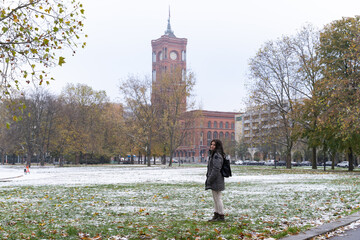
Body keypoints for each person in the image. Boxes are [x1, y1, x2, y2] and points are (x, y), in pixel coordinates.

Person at [205, 139, 226, 222]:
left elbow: (216, 169)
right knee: (215, 198)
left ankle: (221, 215)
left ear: (217, 146)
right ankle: (217, 214)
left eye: (214, 145)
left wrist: (210, 179)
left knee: (218, 198)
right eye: (211, 144)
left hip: (216, 179)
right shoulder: (214, 154)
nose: (212, 146)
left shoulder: (217, 155)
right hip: (215, 179)